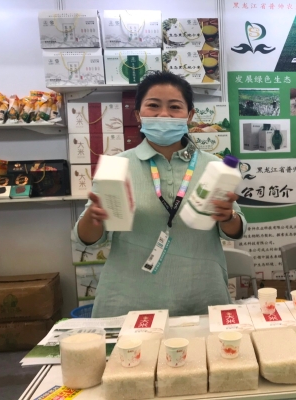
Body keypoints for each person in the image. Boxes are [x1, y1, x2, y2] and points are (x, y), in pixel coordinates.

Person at [73, 71, 247, 318]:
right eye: (153, 106)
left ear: (190, 115)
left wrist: (229, 217)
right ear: (138, 115)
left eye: (175, 107)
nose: (163, 114)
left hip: (201, 294)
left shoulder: (214, 166)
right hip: (129, 299)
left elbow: (236, 230)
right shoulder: (117, 166)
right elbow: (87, 240)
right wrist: (94, 217)